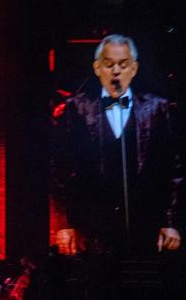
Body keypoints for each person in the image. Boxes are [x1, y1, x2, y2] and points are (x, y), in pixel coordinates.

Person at [53, 34, 181, 257]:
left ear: (134, 68)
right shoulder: (77, 107)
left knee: (144, 288)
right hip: (94, 229)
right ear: (97, 68)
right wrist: (66, 223)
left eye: (123, 65)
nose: (116, 72)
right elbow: (63, 166)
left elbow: (173, 168)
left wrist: (170, 221)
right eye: (109, 64)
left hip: (146, 224)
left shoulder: (156, 108)